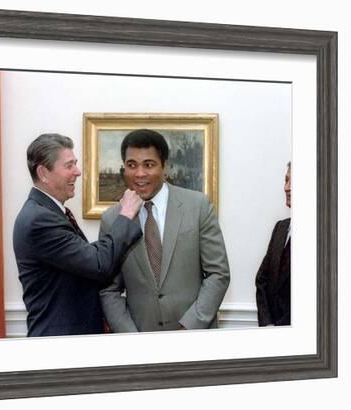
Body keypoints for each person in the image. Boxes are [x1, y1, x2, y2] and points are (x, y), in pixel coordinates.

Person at [99, 129, 230, 332]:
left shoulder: (198, 206)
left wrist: (190, 326)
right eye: (132, 165)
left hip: (196, 337)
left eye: (149, 165)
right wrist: (130, 336)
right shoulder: (112, 219)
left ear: (165, 166)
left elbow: (218, 274)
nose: (140, 174)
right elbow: (109, 289)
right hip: (139, 341)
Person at [13, 133, 143, 337]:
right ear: (43, 173)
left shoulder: (49, 212)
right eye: (69, 165)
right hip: (60, 344)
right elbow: (98, 264)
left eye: (76, 164)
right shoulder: (40, 220)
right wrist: (125, 214)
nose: (78, 171)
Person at [255, 162, 291, 326]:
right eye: (286, 180)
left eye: (293, 182)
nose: (287, 188)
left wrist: (280, 328)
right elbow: (262, 279)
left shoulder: (324, 234)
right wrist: (267, 324)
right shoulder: (280, 227)